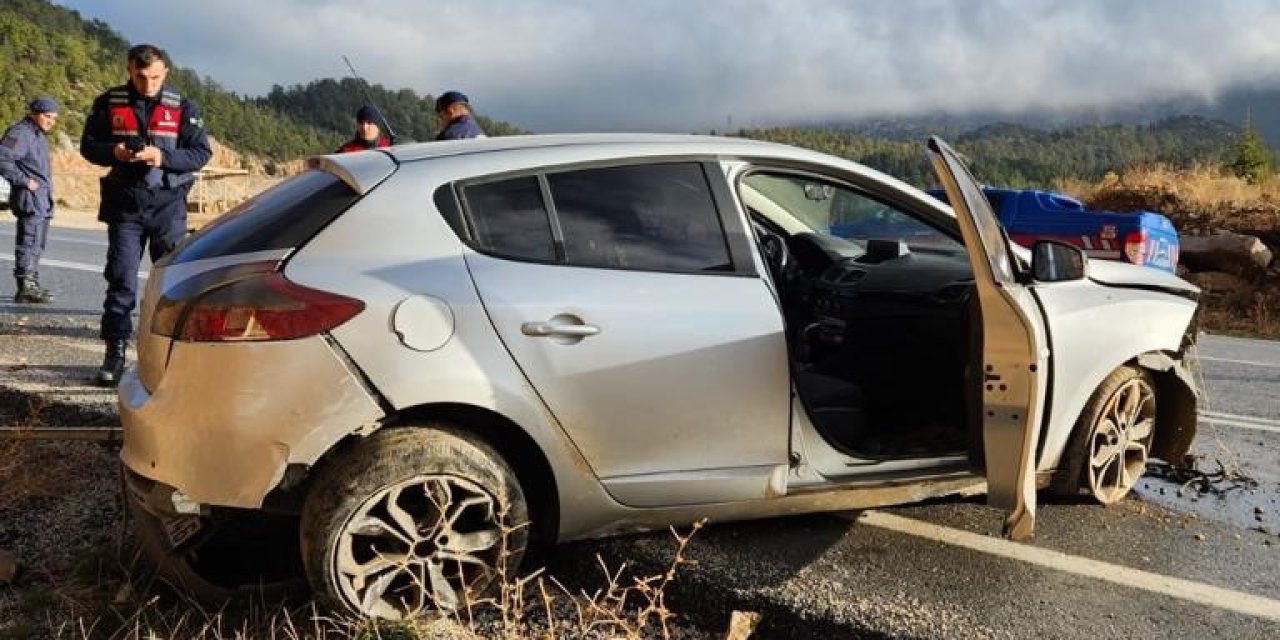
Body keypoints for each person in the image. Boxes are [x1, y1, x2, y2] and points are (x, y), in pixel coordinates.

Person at [80, 43, 211, 386]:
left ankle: (171, 356)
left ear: (165, 72)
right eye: (141, 77)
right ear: (129, 70)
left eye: (155, 77)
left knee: (172, 285)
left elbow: (199, 154)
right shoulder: (109, 103)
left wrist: (161, 157)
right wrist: (115, 151)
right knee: (121, 279)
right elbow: (88, 146)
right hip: (126, 204)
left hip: (167, 205)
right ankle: (115, 351)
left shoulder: (183, 106)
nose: (148, 84)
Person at [0, 97, 59, 303]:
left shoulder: (38, 135)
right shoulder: (20, 133)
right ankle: (25, 286)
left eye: (54, 118)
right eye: (47, 116)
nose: (51, 121)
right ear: (34, 113)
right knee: (28, 241)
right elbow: (2, 158)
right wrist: (24, 181)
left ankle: (32, 283)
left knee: (37, 243)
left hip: (41, 199)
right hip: (29, 197)